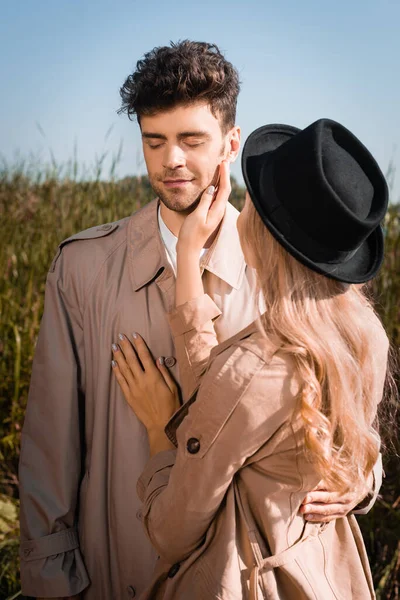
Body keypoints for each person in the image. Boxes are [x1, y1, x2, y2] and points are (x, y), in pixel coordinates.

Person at [18, 40, 381, 600]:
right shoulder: (82, 266)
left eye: (191, 140)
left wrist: (362, 480)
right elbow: (50, 443)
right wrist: (48, 581)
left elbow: (349, 424)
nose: (172, 162)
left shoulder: (290, 275)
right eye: (154, 141)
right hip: (111, 571)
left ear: (232, 144)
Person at [111, 118, 390, 599]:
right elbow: (236, 406)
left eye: (253, 202)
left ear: (263, 232)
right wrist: (362, 478)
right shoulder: (363, 336)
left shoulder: (260, 366)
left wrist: (161, 432)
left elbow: (172, 532)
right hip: (328, 576)